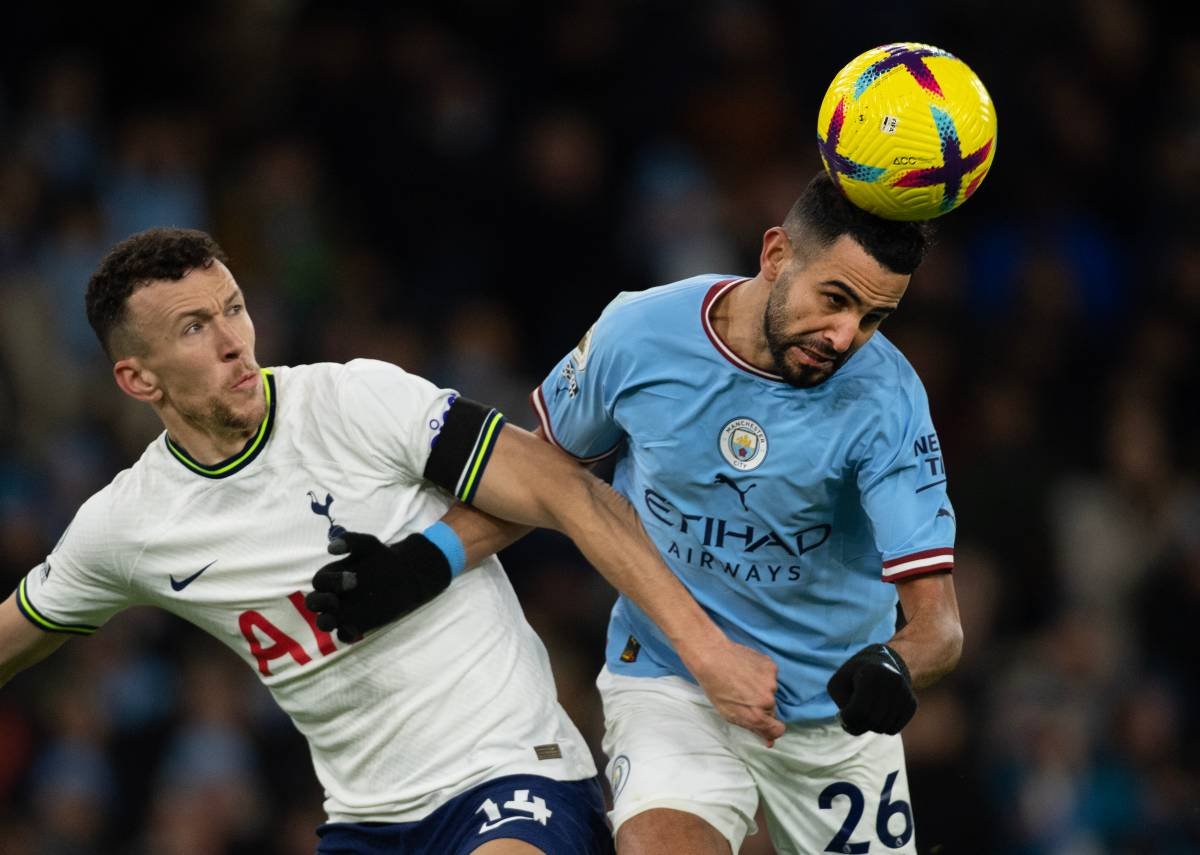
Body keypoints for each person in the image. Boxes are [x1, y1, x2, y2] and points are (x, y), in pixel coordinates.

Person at [0, 228, 783, 855]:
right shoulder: (130, 523)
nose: (235, 340)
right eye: (195, 328)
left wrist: (707, 651)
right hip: (364, 823)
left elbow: (566, 487)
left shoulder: (353, 401)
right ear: (140, 380)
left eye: (234, 308)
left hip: (511, 778)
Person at [311, 171, 964, 855]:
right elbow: (546, 479)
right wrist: (419, 563)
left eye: (872, 318)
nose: (843, 335)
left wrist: (894, 664)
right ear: (775, 254)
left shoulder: (887, 399)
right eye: (835, 298)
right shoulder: (640, 334)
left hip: (832, 717)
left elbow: (939, 626)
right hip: (670, 682)